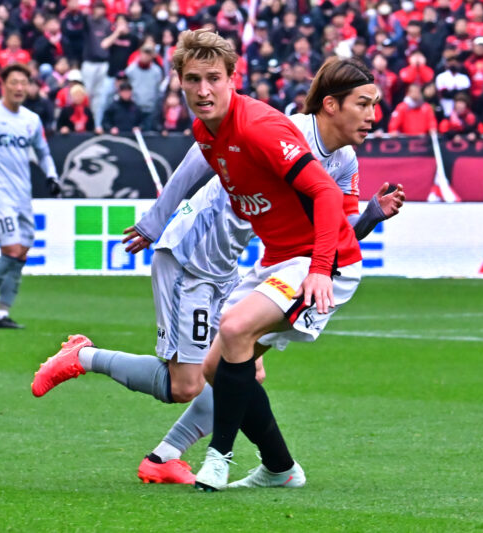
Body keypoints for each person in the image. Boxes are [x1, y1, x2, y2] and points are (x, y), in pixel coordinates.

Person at [30, 35, 397, 491]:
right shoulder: (278, 130)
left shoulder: (342, 160)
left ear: (231, 80)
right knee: (197, 377)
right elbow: (192, 166)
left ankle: (225, 462)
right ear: (330, 105)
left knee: (234, 368)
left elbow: (337, 226)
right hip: (196, 255)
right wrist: (154, 221)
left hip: (253, 261)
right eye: (364, 103)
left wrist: (366, 223)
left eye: (213, 79)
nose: (372, 116)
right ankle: (89, 362)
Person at [0, 64, 60, 329]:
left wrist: (51, 176)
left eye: (24, 83)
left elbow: (43, 152)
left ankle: (2, 314)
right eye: (14, 82)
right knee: (10, 249)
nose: (19, 88)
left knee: (21, 254)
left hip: (22, 194)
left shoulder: (31, 119)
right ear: (3, 85)